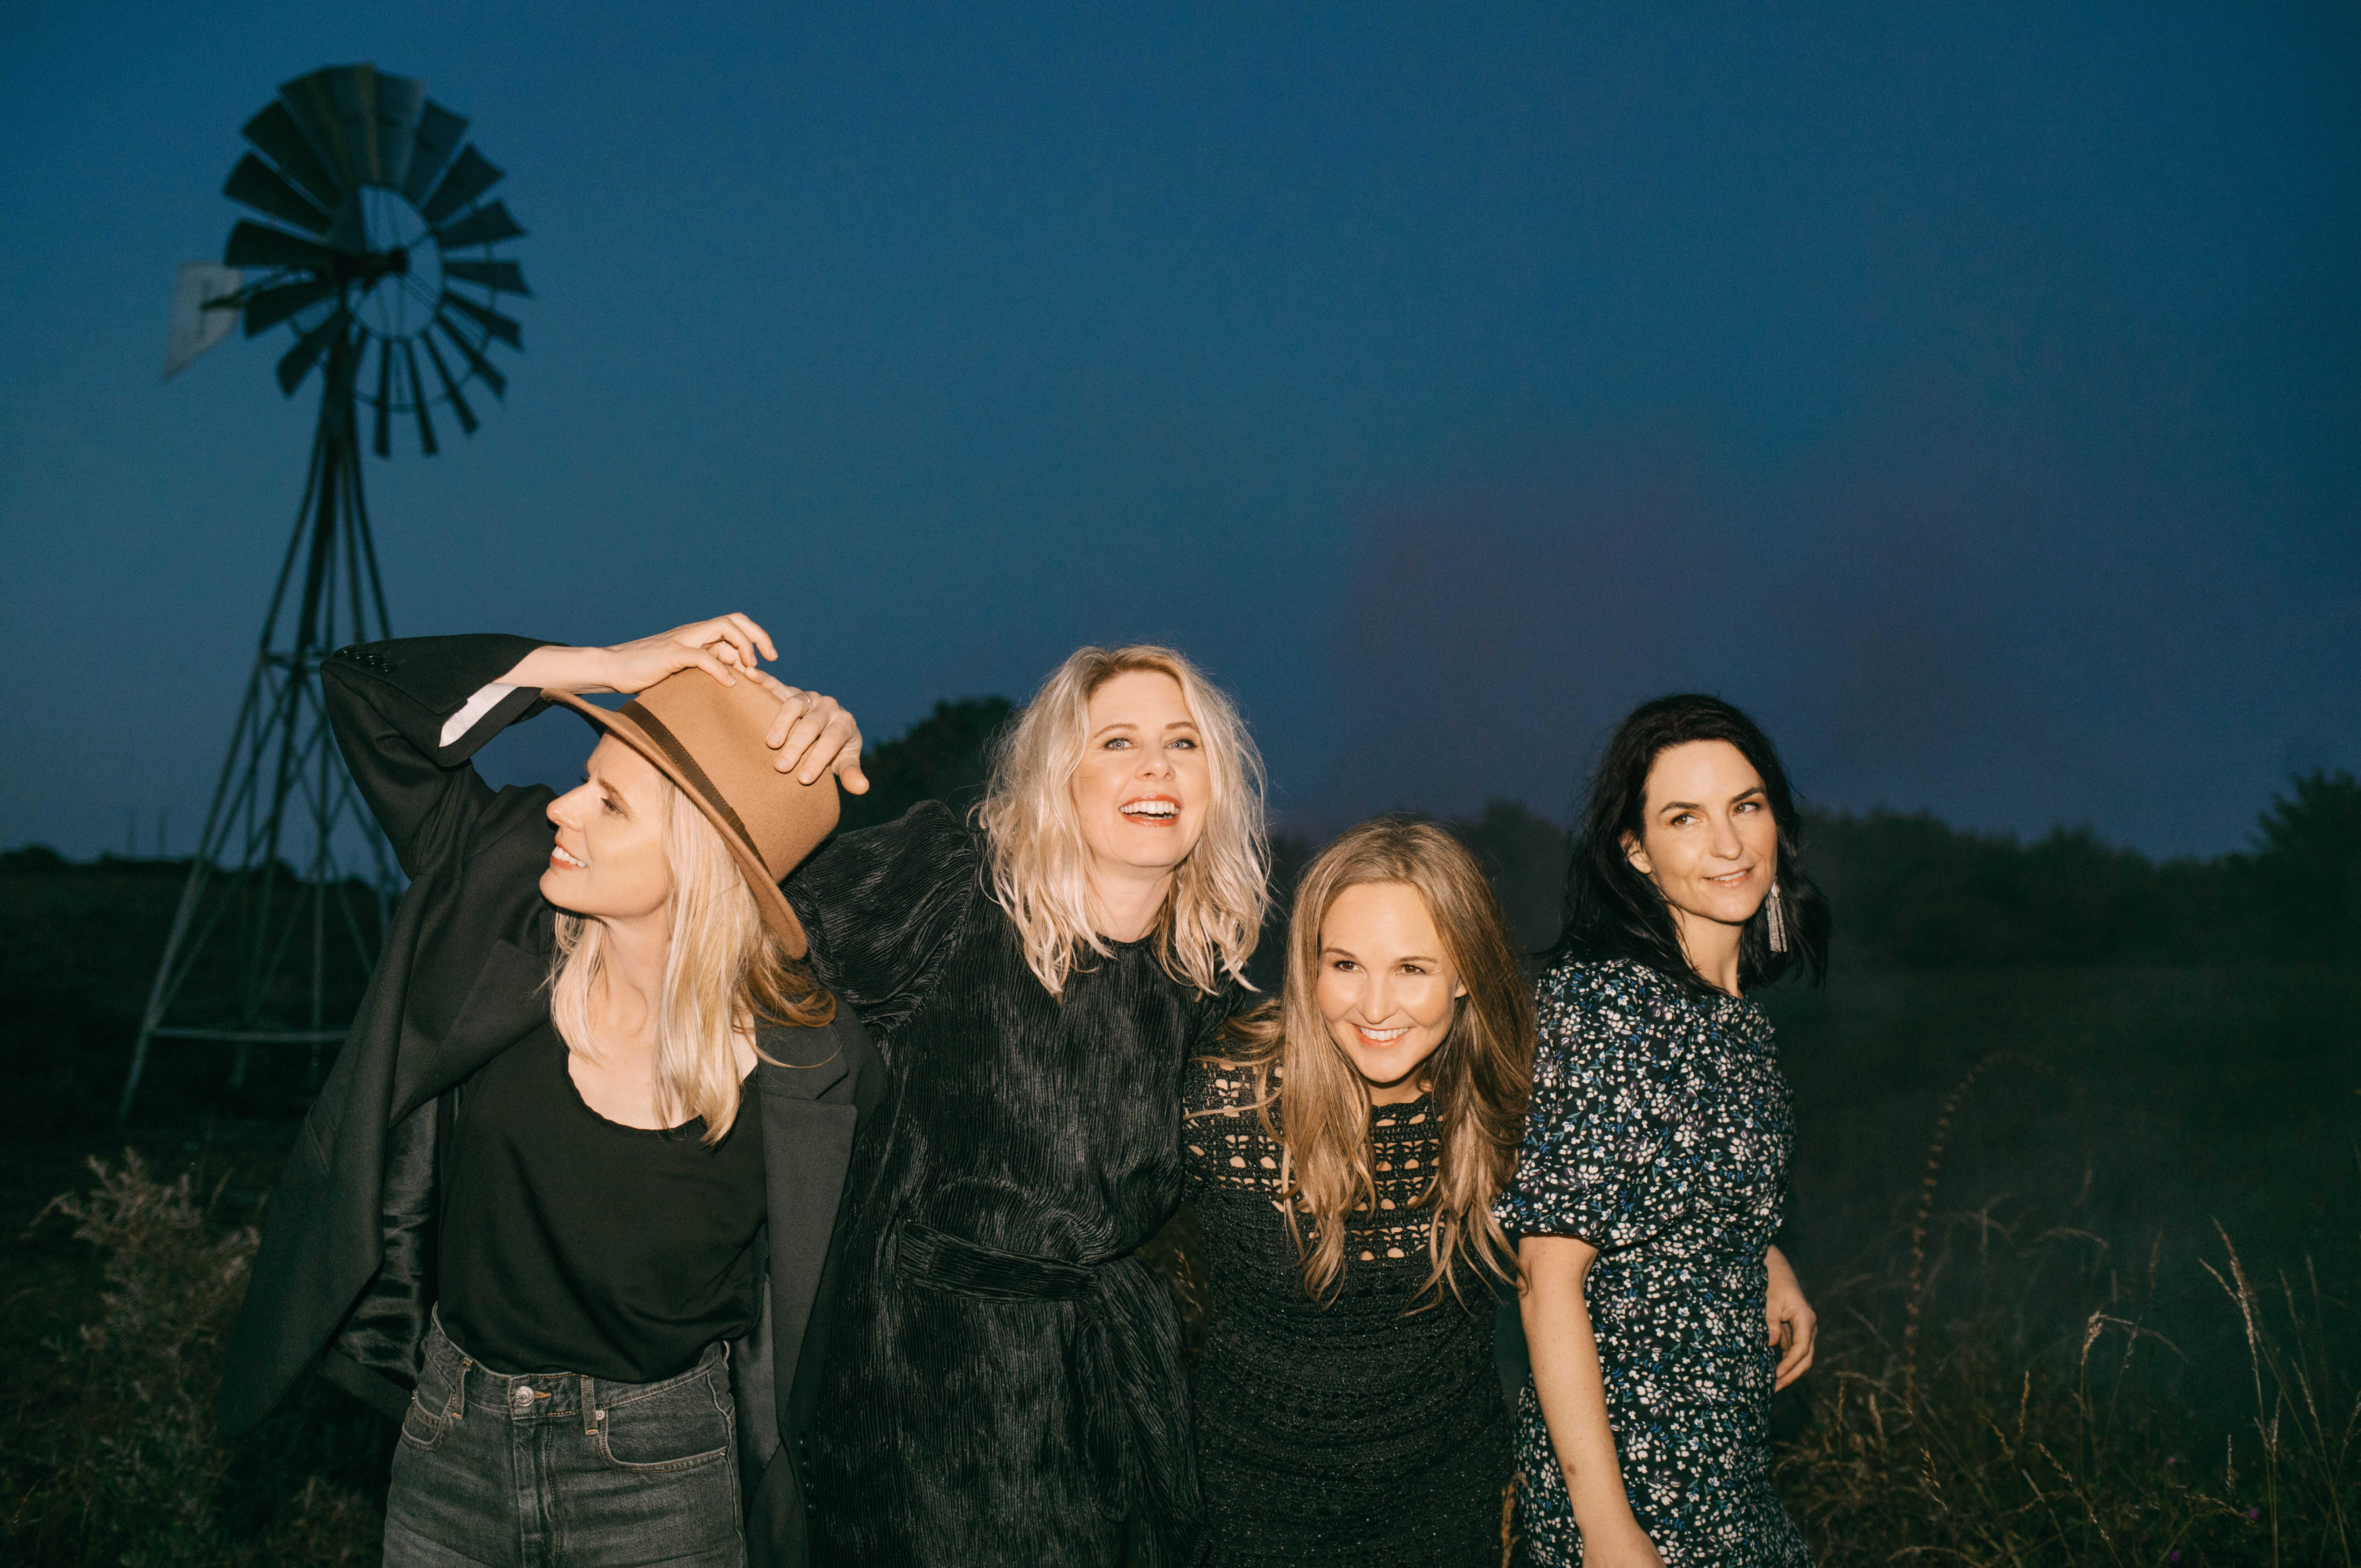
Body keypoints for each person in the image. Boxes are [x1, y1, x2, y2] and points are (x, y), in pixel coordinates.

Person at [219, 616, 885, 1568]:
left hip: (666, 1483)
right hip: (451, 1449)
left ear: (701, 865)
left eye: (609, 803)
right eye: (585, 779)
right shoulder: (499, 898)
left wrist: (802, 768)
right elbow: (365, 692)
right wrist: (609, 666)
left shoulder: (810, 1067)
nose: (562, 808)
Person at [780, 644, 1269, 1567]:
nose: (1156, 766)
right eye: (1117, 741)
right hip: (920, 1401)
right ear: (1061, 774)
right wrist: (784, 765)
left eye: (1183, 743)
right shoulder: (954, 888)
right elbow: (755, 939)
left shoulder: (1206, 986)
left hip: (1107, 1412)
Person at [1500, 694, 1828, 1567]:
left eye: (1746, 806)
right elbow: (1546, 1278)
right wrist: (1608, 1530)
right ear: (1635, 851)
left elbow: (1672, 1179)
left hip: (1734, 1473)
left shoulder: (1735, 1019)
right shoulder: (1606, 1008)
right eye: (1685, 818)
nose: (1729, 845)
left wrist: (1764, 1255)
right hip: (1636, 1484)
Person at [1184, 816, 1532, 1566]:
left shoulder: (1507, 1099)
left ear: (1466, 971)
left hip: (1448, 1505)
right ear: (1310, 967)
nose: (1375, 1007)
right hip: (1252, 1510)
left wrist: (1752, 1250)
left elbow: (1632, 1183)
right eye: (1345, 965)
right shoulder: (1226, 1096)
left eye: (1413, 969)